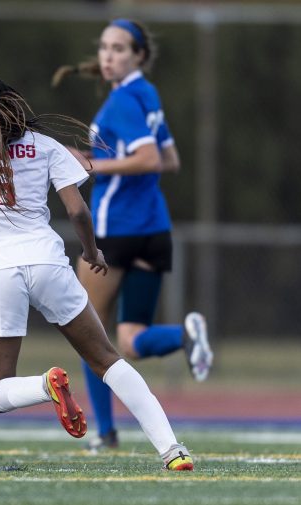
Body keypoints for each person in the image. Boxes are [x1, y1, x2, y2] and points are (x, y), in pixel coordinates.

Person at [0, 75, 194, 470]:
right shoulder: (44, 146)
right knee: (108, 360)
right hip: (48, 262)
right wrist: (92, 252)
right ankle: (172, 450)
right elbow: (77, 210)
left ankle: (45, 385)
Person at [51, 18, 213, 452]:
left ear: (139, 56)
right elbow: (170, 158)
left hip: (115, 230)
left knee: (88, 332)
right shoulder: (147, 94)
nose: (108, 55)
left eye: (120, 48)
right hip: (154, 228)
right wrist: (104, 158)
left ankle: (104, 432)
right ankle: (183, 335)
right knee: (130, 338)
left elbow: (148, 159)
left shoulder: (124, 100)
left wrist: (92, 166)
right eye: (104, 47)